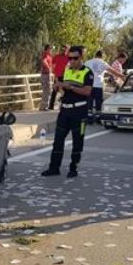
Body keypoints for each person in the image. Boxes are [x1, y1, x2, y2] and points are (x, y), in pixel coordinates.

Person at [41, 46, 94, 178]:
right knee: (58, 140)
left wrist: (70, 87)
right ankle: (54, 168)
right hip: (65, 110)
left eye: (75, 58)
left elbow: (87, 91)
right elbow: (63, 91)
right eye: (69, 58)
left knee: (77, 142)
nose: (72, 61)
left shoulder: (87, 72)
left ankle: (73, 168)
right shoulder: (67, 70)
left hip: (79, 111)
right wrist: (58, 87)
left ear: (81, 57)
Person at [86, 50, 125, 123]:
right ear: (102, 56)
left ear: (96, 55)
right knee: (98, 103)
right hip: (98, 86)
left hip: (89, 85)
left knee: (89, 102)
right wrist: (122, 76)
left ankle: (89, 118)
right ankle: (98, 118)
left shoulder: (88, 62)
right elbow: (113, 71)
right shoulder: (103, 63)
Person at [49, 45, 69, 110]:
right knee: (54, 91)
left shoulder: (68, 57)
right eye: (62, 50)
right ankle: (51, 106)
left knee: (64, 91)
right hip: (57, 76)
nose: (63, 51)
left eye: (65, 50)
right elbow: (52, 64)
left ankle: (63, 105)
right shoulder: (56, 56)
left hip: (65, 76)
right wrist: (53, 72)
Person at [39, 45, 53, 111]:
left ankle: (43, 106)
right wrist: (48, 68)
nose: (51, 50)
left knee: (47, 91)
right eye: (50, 49)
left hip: (47, 74)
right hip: (45, 74)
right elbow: (44, 61)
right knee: (47, 90)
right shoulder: (44, 54)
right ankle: (44, 107)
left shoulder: (49, 55)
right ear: (47, 49)